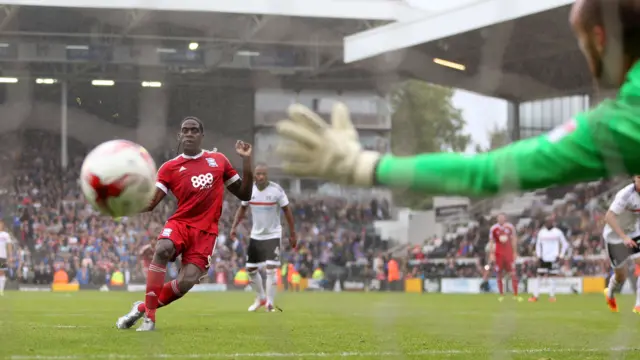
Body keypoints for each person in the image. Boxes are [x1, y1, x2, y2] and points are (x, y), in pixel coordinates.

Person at [274, 0, 640, 196]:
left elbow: (487, 173)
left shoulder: (623, 120)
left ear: (600, 39)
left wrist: (361, 165)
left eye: (582, 44)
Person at [116, 117, 254, 331]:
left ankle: (142, 307)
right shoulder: (169, 168)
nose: (189, 134)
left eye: (194, 130)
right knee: (162, 249)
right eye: (185, 130)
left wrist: (246, 161)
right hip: (181, 223)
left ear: (202, 135)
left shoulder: (219, 161)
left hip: (206, 232)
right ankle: (149, 319)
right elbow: (152, 202)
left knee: (186, 282)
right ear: (180, 135)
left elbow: (245, 193)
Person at [230, 164, 296, 312]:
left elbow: (287, 211)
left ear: (267, 176)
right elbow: (242, 208)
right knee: (251, 269)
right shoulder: (249, 191)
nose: (260, 177)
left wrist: (293, 233)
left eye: (263, 174)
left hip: (273, 234)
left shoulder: (276, 190)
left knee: (271, 268)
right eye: (258, 174)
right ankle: (261, 298)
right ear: (254, 175)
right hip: (256, 234)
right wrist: (234, 227)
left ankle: (270, 303)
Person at [602, 176, 640, 313]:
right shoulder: (626, 194)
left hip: (634, 233)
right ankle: (610, 293)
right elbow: (609, 217)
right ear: (634, 179)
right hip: (615, 237)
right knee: (620, 276)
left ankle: (638, 305)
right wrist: (623, 237)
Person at [528, 216, 569, 303]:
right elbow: (538, 245)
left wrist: (561, 255)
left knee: (552, 278)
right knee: (539, 277)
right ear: (545, 223)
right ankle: (535, 296)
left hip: (553, 258)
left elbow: (565, 244)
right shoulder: (541, 232)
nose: (548, 223)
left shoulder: (557, 232)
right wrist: (539, 256)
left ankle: (552, 296)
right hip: (543, 258)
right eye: (547, 222)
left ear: (553, 222)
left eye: (550, 221)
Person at [489, 214, 521, 302]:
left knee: (513, 273)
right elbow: (491, 241)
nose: (501, 219)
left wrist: (514, 252)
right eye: (499, 218)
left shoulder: (510, 227)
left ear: (505, 218)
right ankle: (501, 295)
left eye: (502, 218)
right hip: (498, 253)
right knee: (499, 274)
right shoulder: (493, 228)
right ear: (497, 219)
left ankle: (515, 294)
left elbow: (514, 239)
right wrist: (491, 254)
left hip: (508, 253)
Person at [0, 221, 12, 296]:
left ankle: (1, 290)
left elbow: (9, 245)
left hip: (3, 256)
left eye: (1, 224)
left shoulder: (6, 235)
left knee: (2, 272)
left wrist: (10, 256)